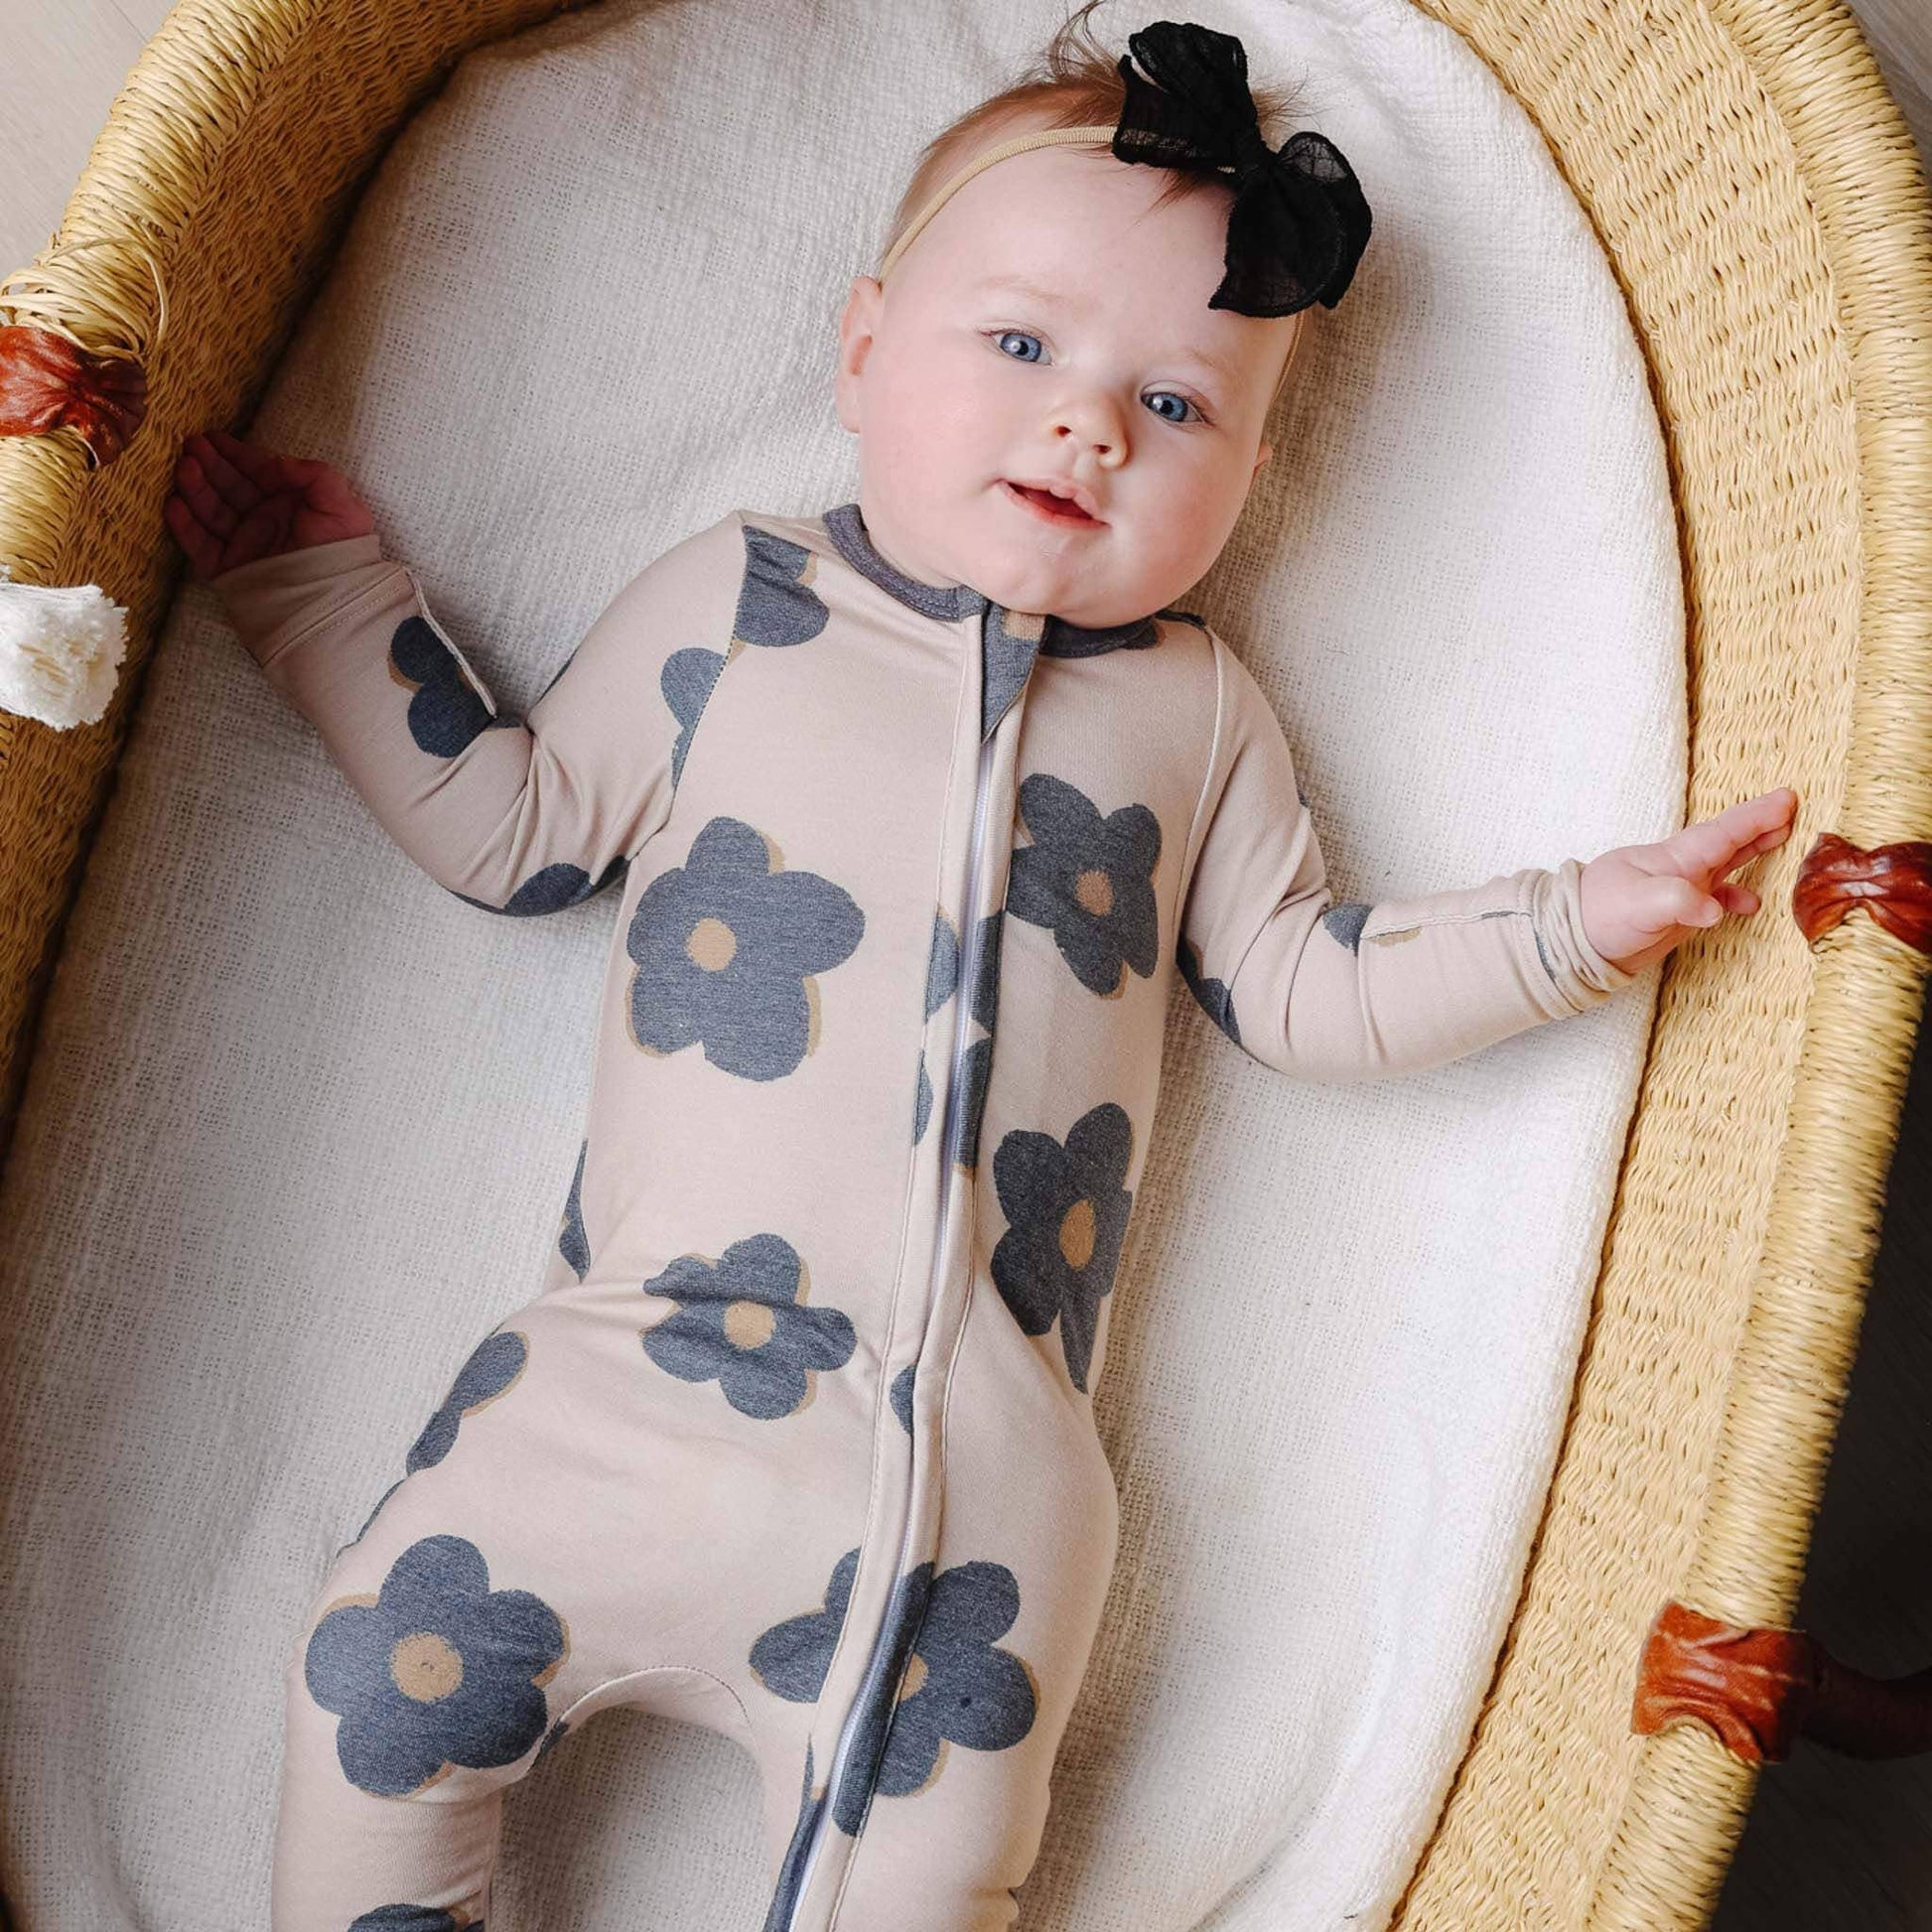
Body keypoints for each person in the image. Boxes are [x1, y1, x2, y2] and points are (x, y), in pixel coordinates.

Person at [164, 11, 1797, 1929]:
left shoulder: (1197, 711)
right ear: (862, 350)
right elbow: (514, 826)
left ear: (1255, 467)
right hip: (626, 1385)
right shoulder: (741, 600)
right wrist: (324, 597)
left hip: (975, 1503)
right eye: (1020, 346)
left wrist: (1572, 920)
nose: (1090, 423)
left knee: (929, 1881)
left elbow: (1303, 987)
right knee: (378, 1677)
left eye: (1176, 402)